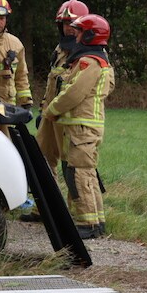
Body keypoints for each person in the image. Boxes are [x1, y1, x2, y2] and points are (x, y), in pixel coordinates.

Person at [42, 14, 115, 239]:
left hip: (82, 127)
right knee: (86, 172)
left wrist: (50, 111)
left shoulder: (90, 63)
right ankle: (97, 221)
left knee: (79, 174)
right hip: (82, 126)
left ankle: (88, 224)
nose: (76, 35)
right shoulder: (93, 59)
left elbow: (73, 93)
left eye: (81, 31)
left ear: (92, 35)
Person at [36, 0, 89, 176]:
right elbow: (52, 82)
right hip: (50, 114)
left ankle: (75, 200)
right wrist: (43, 109)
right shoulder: (59, 50)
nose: (68, 28)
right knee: (42, 156)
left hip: (68, 117)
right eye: (65, 23)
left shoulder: (88, 53)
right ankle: (51, 198)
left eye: (73, 24)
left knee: (71, 162)